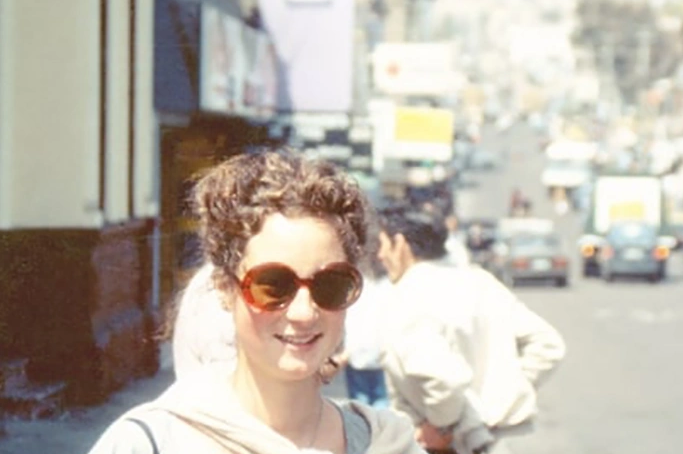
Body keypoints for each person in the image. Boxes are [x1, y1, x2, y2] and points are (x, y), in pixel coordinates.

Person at [88, 149, 424, 454]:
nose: (304, 312)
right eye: (273, 285)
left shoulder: (386, 444)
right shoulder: (152, 444)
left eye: (330, 285)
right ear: (224, 288)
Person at [375, 205, 566, 454]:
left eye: (382, 244)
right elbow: (548, 344)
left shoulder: (406, 298)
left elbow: (446, 380)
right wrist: (505, 393)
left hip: (447, 444)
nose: (379, 255)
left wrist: (441, 426)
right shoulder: (479, 282)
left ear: (400, 245)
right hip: (499, 439)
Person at [334, 257, 391, 408]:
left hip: (355, 355)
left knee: (360, 405)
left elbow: (350, 320)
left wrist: (344, 350)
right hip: (381, 355)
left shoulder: (356, 285)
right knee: (382, 403)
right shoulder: (388, 283)